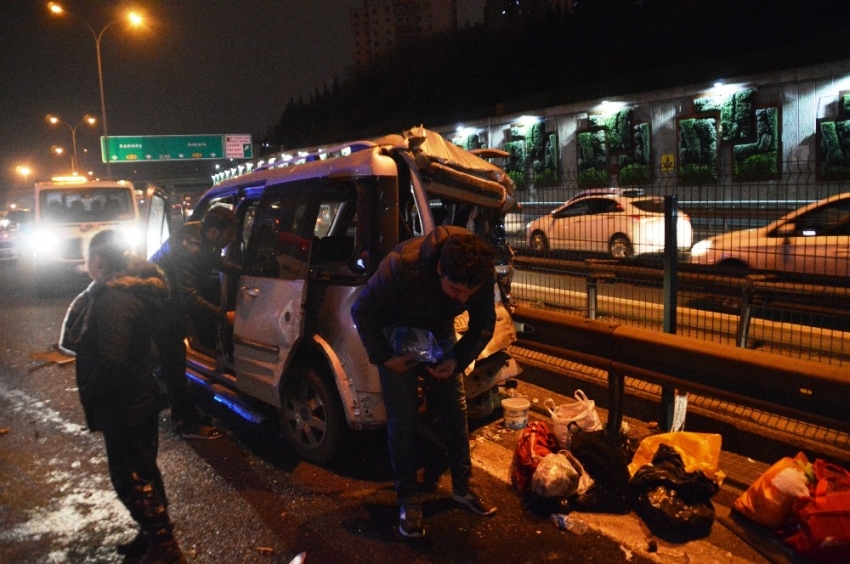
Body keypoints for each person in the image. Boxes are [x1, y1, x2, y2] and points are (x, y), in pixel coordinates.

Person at [350, 225, 498, 538]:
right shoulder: (403, 264)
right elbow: (362, 309)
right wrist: (385, 357)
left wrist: (457, 359)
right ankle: (408, 499)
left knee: (455, 410)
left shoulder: (479, 275)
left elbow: (484, 323)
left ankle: (463, 486)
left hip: (440, 333)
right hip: (398, 335)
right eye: (457, 291)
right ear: (441, 268)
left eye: (468, 294)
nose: (463, 298)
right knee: (403, 419)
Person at [60, 229, 186, 563]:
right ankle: (150, 537)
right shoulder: (125, 289)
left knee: (130, 477)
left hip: (125, 402)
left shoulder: (113, 298)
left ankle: (164, 545)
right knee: (144, 469)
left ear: (97, 261)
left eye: (89, 258)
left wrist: (92, 390)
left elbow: (113, 359)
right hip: (137, 397)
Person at [150, 205, 240, 440]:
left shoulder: (198, 233)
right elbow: (189, 295)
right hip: (159, 307)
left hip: (167, 303)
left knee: (174, 365)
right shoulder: (190, 247)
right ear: (214, 232)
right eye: (228, 235)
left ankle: (186, 413)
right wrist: (223, 315)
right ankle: (185, 423)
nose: (231, 240)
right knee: (174, 365)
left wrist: (244, 270)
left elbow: (215, 262)